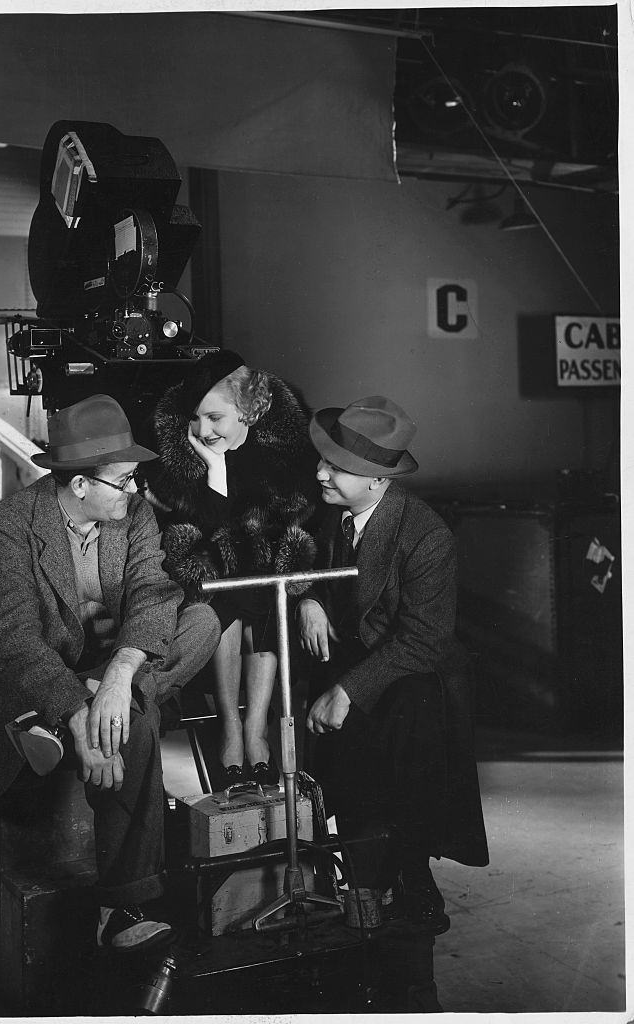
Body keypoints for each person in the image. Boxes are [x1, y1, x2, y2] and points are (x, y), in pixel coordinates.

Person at [0, 394, 220, 953]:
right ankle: (121, 907)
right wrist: (80, 712)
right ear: (80, 486)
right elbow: (15, 643)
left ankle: (108, 704)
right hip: (36, 680)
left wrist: (118, 679)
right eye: (124, 480)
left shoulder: (136, 514)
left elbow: (155, 589)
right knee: (139, 726)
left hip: (107, 669)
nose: (136, 490)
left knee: (201, 619)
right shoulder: (7, 529)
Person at [297, 395, 488, 1011]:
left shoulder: (425, 534)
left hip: (415, 678)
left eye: (337, 467)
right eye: (322, 461)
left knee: (399, 716)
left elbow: (425, 638)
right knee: (342, 749)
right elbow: (295, 560)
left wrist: (348, 690)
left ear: (379, 478)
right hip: (352, 665)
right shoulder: (328, 515)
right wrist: (308, 599)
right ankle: (363, 876)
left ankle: (406, 876)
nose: (321, 474)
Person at [149, 350, 319, 789]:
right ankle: (230, 726)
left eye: (215, 418)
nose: (203, 431)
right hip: (214, 584)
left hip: (269, 581)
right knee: (222, 595)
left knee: (261, 596)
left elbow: (285, 525)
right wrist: (215, 468)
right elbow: (209, 532)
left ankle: (256, 727)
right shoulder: (193, 458)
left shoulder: (285, 454)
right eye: (195, 418)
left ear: (248, 411)